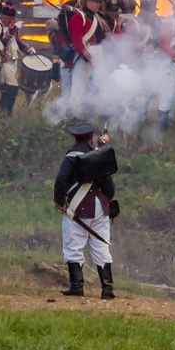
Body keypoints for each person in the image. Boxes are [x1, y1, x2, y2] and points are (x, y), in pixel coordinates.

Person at [55, 121, 119, 300]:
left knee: (73, 245)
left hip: (79, 206)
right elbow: (109, 182)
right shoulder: (100, 153)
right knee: (101, 246)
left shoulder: (71, 156)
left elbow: (61, 181)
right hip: (101, 206)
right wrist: (104, 145)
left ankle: (77, 286)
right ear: (91, 137)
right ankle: (107, 289)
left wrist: (60, 201)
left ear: (75, 137)